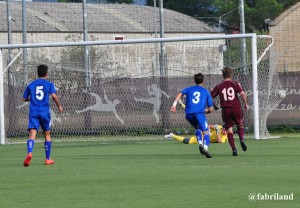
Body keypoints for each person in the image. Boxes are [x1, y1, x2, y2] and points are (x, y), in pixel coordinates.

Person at [22, 64, 63, 167]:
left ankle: (30, 153)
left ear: (38, 73)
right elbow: (54, 96)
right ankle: (47, 159)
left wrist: (32, 99)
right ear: (46, 73)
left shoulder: (31, 85)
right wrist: (59, 106)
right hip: (44, 112)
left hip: (33, 111)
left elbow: (24, 98)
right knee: (47, 134)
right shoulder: (49, 84)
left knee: (32, 134)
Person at [171, 73, 214, 158]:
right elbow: (210, 109)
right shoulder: (206, 92)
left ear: (194, 81)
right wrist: (207, 111)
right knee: (206, 132)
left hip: (189, 114)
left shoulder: (189, 89)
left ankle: (200, 143)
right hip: (199, 113)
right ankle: (205, 148)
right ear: (203, 81)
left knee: (198, 128)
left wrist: (174, 104)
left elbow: (180, 93)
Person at [210, 66, 249, 156]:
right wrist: (246, 103)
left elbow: (209, 96)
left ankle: (234, 149)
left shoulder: (219, 86)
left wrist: (214, 105)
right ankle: (241, 140)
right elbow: (242, 93)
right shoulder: (235, 83)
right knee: (240, 125)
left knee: (229, 130)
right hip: (236, 108)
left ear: (223, 75)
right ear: (231, 75)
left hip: (226, 110)